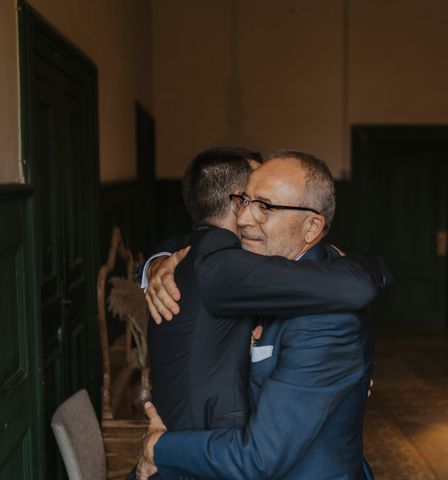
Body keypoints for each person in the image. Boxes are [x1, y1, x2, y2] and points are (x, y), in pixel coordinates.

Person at [137, 150, 389, 479]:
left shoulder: (327, 321)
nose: (241, 219)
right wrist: (158, 261)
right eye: (244, 202)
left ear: (312, 227)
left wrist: (159, 448)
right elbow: (206, 237)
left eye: (264, 207)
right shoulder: (257, 273)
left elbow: (259, 457)